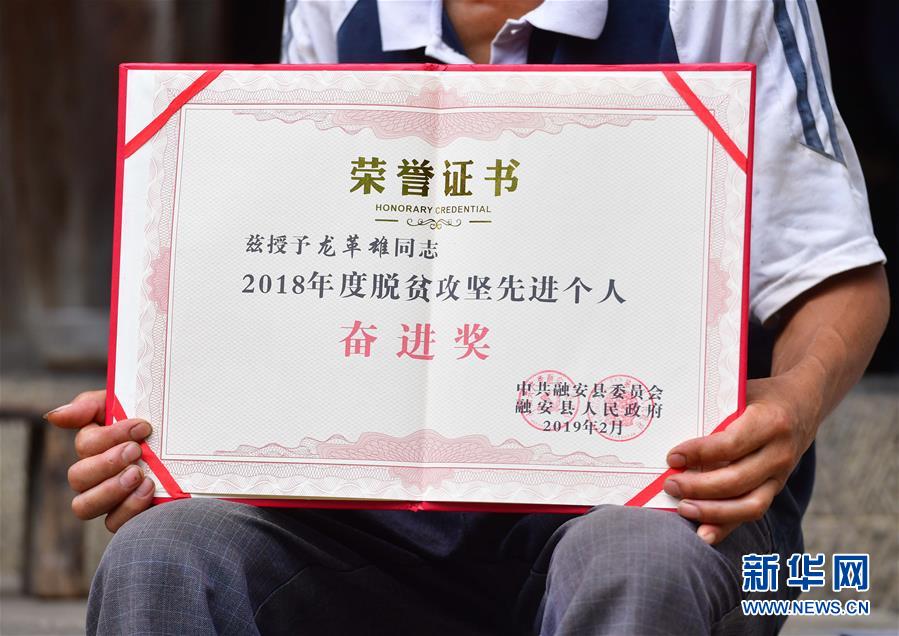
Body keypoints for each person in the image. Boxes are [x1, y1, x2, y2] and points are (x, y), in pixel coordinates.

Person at [47, 1, 889, 634]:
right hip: (370, 532)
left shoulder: (715, 7)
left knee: (637, 562)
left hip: (655, 507)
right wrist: (174, 420)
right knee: (164, 557)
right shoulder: (335, 8)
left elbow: (835, 272)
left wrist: (794, 401)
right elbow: (300, 277)